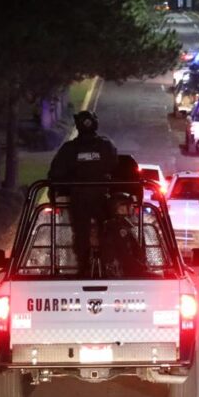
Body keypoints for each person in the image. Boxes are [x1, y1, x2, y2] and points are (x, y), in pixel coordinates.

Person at [48, 110, 119, 276]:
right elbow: (114, 166)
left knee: (81, 233)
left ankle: (83, 266)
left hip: (79, 200)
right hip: (102, 198)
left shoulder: (68, 149)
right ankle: (109, 263)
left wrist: (57, 191)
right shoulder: (106, 146)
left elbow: (56, 174)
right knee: (108, 229)